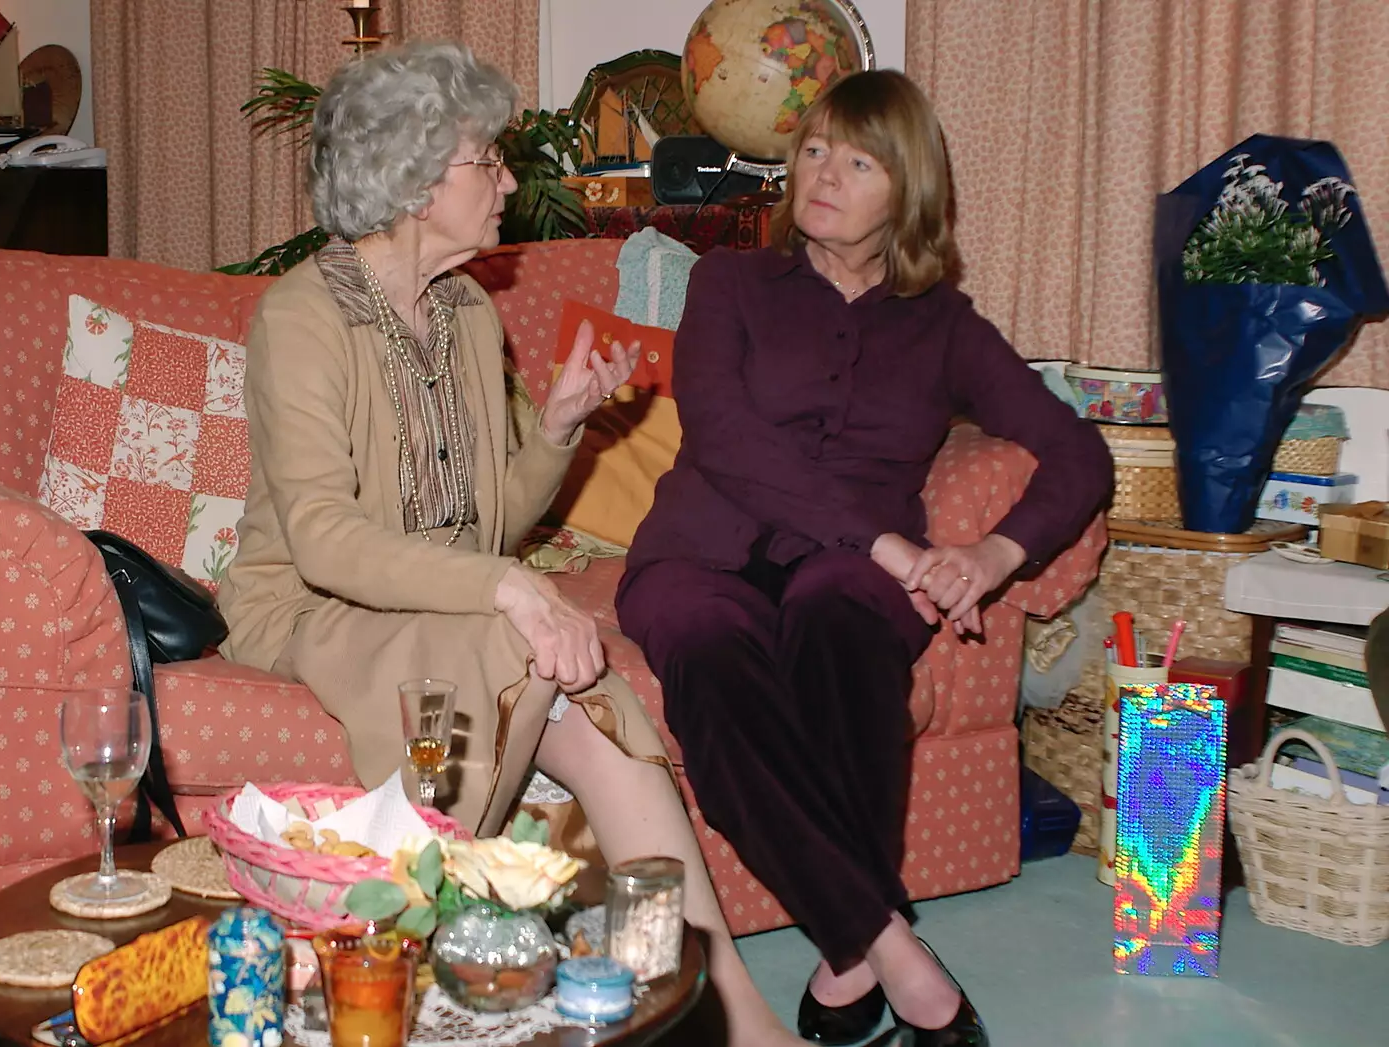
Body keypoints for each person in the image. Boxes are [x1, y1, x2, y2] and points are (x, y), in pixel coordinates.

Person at [217, 41, 808, 1047]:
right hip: (315, 608)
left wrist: (557, 427)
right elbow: (321, 540)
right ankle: (427, 969)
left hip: (440, 599)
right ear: (411, 183)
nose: (506, 179)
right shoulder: (303, 317)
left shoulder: (465, 313)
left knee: (590, 683)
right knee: (516, 638)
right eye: (484, 159)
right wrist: (507, 591)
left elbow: (496, 523)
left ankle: (731, 1016)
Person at [615, 70, 1112, 1047]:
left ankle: (848, 954)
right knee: (708, 652)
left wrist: (990, 555)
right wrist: (891, 544)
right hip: (701, 548)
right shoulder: (730, 284)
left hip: (853, 577)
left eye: (856, 159)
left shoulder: (946, 330)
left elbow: (1079, 454)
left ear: (908, 192)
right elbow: (722, 435)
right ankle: (889, 949)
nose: (822, 174)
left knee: (841, 622)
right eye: (812, 151)